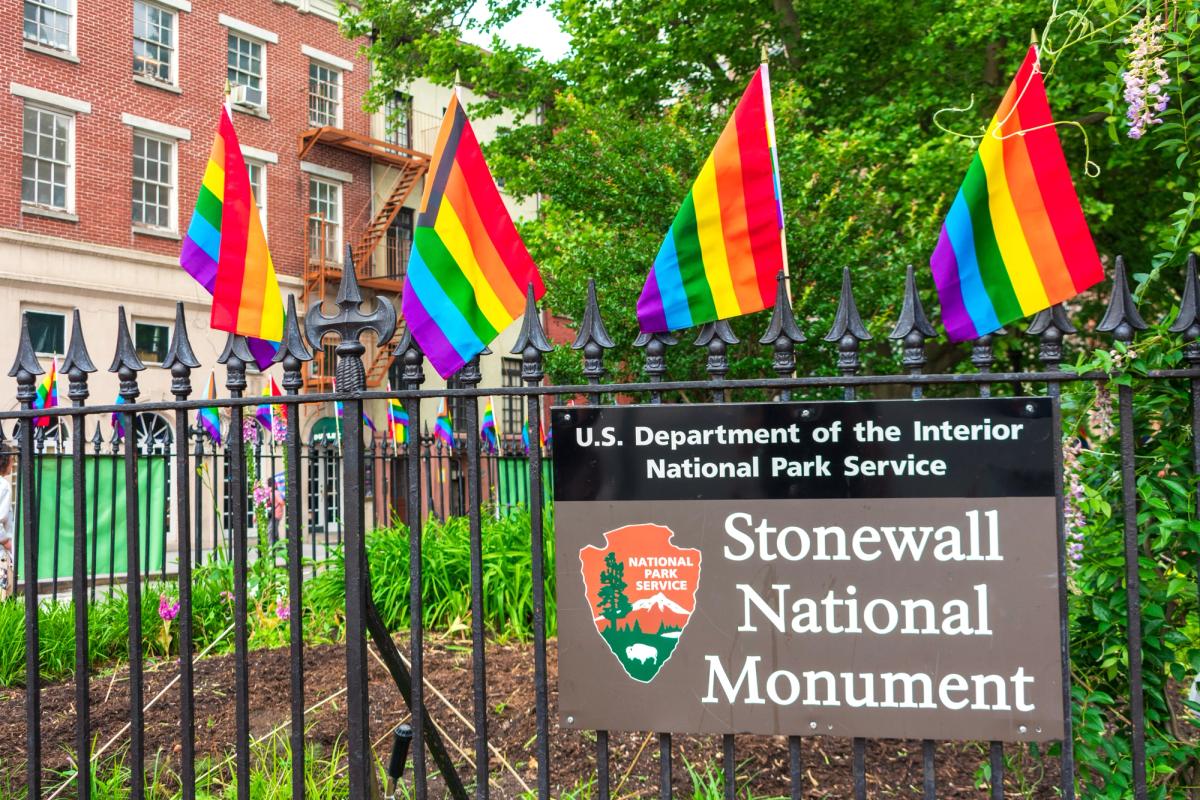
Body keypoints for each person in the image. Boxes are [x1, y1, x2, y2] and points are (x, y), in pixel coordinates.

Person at [0, 450, 13, 601]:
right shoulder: (3, 485)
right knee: (4, 597)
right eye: (11, 460)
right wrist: (6, 541)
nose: (13, 463)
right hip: (1, 552)